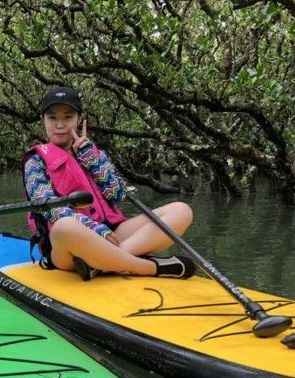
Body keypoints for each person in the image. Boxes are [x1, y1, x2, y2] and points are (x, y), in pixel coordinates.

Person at [23, 85, 195, 280]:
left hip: (112, 235)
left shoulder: (94, 153)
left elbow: (118, 194)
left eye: (68, 117)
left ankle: (102, 263)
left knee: (181, 211)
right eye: (52, 117)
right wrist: (94, 228)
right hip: (68, 246)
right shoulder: (35, 162)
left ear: (79, 119)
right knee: (65, 226)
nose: (60, 124)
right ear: (43, 120)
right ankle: (148, 267)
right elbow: (49, 207)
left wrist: (93, 161)